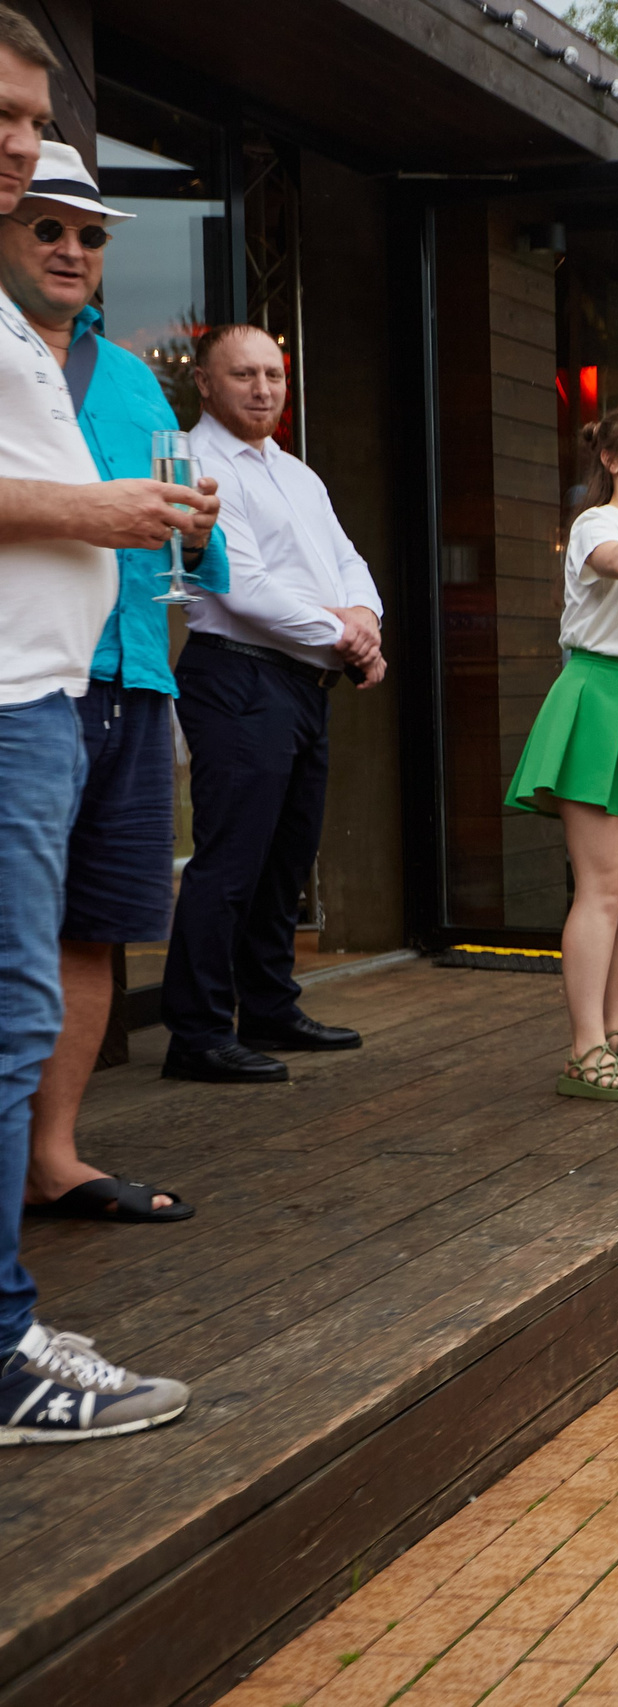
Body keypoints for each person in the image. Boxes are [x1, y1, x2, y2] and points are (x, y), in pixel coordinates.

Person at [0, 1, 203, 1439]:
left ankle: (23, 1258)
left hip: (79, 692)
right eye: (4, 123)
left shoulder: (110, 371)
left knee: (68, 962)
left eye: (31, 125)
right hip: (20, 704)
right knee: (9, 1011)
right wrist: (108, 509)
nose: (25, 159)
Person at [4, 142, 231, 1220]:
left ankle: (55, 1154)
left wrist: (201, 531)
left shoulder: (138, 377)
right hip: (22, 681)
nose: (71, 248)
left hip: (135, 677)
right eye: (47, 225)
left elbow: (177, 537)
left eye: (89, 235)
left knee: (93, 924)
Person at [162, 324, 384, 1083]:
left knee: (284, 858)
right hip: (237, 675)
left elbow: (347, 560)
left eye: (273, 375)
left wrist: (365, 619)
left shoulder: (295, 471)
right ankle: (195, 1031)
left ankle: (267, 1005)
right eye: (243, 375)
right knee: (231, 860)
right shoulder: (195, 463)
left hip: (301, 683)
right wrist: (347, 636)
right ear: (204, 383)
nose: (262, 389)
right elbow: (240, 585)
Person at [503, 404, 618, 1102]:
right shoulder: (594, 524)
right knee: (603, 887)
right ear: (610, 459)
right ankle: (583, 1047)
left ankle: (612, 1030)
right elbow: (617, 562)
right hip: (600, 694)